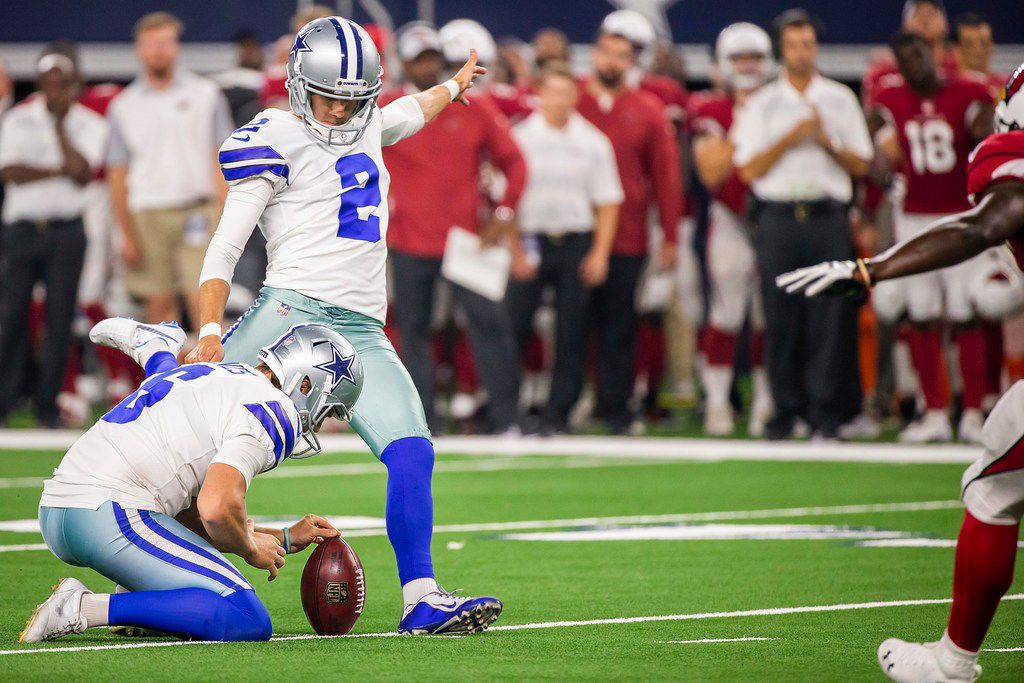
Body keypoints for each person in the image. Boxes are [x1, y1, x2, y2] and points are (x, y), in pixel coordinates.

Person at [186, 16, 502, 634]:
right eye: (328, 95)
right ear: (300, 83)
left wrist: (455, 86)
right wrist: (208, 330)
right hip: (288, 315)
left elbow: (409, 111)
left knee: (412, 450)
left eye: (352, 98)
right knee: (196, 445)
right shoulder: (277, 132)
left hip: (359, 331)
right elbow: (225, 245)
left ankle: (420, 595)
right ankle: (145, 574)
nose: (337, 111)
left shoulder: (368, 124)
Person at [777, 62, 1024, 683]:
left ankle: (952, 662)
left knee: (991, 491)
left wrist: (872, 269)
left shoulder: (1008, 161)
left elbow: (985, 224)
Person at [19, 319, 359, 643]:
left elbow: (192, 516)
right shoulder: (275, 410)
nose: (319, 422)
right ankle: (80, 608)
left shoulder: (223, 375)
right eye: (326, 409)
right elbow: (216, 509)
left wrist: (281, 537)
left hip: (62, 510)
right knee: (245, 616)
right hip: (112, 513)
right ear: (305, 384)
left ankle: (156, 350)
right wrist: (250, 548)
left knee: (182, 517)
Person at [732, 9, 872, 440]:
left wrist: (825, 140)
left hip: (827, 216)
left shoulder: (839, 98)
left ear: (816, 48)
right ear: (782, 50)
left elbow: (862, 163)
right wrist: (790, 138)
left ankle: (824, 414)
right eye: (793, 45)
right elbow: (748, 169)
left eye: (807, 44)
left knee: (829, 317)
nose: (801, 52)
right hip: (777, 220)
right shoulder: (761, 103)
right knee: (780, 317)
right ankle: (784, 410)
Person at [382, 21, 527, 436]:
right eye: (418, 58)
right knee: (412, 334)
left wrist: (503, 214)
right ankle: (421, 422)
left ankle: (507, 420)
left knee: (490, 327)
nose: (426, 65)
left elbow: (515, 162)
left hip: (467, 241)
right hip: (409, 240)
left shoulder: (472, 105)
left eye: (432, 57)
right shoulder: (390, 109)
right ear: (404, 63)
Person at [869, 32, 996, 443]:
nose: (914, 64)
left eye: (919, 54)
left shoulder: (970, 91)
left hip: (961, 214)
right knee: (922, 314)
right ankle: (936, 412)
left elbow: (989, 133)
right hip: (913, 218)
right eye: (905, 58)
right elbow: (864, 132)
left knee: (964, 312)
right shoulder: (891, 99)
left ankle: (973, 412)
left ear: (938, 54)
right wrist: (881, 166)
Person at [577, 23, 682, 434]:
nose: (612, 61)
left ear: (632, 62)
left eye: (621, 55)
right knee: (574, 326)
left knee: (620, 326)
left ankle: (617, 407)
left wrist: (671, 234)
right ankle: (577, 400)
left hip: (628, 234)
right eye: (606, 51)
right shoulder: (573, 100)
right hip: (573, 231)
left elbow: (667, 179)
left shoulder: (649, 109)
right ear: (594, 53)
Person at [507, 62, 623, 434]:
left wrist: (600, 252)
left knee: (571, 332)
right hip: (531, 238)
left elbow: (607, 202)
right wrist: (515, 251)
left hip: (575, 241)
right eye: (553, 92)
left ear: (576, 96)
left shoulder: (593, 141)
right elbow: (505, 199)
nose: (559, 100)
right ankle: (514, 409)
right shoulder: (520, 137)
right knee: (514, 327)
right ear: (538, 94)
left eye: (566, 92)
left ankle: (559, 413)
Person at [0, 50, 108, 428]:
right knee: (10, 314)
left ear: (73, 85)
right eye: (48, 82)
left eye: (62, 82)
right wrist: (55, 168)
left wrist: (60, 127)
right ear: (40, 83)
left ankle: (48, 406)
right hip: (22, 229)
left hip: (66, 231)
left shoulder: (90, 123)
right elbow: (8, 171)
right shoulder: (18, 119)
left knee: (59, 317)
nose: (54, 90)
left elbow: (81, 172)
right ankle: (5, 401)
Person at [106, 12, 234, 326]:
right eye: (152, 44)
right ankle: (164, 374)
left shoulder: (206, 94)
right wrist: (125, 233)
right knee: (159, 307)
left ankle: (211, 374)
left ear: (176, 47)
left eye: (165, 43)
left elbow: (221, 159)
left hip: (197, 213)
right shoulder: (123, 106)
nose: (159, 51)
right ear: (139, 49)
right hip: (146, 216)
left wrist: (229, 219)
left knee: (203, 296)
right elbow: (117, 174)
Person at [690, 22, 775, 437]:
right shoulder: (712, 110)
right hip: (729, 217)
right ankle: (719, 402)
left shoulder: (781, 104)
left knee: (766, 316)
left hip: (773, 215)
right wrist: (744, 117)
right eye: (738, 58)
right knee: (726, 312)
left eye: (753, 58)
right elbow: (712, 172)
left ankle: (764, 400)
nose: (746, 67)